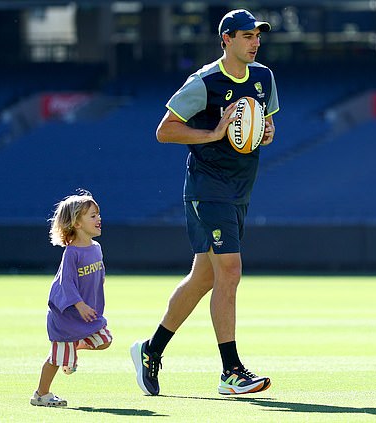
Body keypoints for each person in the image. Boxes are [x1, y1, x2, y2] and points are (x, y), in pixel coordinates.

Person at [131, 9, 279, 396]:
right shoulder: (205, 81)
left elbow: (265, 124)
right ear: (226, 39)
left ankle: (150, 350)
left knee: (205, 277)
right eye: (247, 36)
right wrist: (214, 132)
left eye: (257, 36)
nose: (255, 41)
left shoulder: (264, 77)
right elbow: (164, 131)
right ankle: (231, 372)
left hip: (240, 188)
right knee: (229, 270)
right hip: (207, 187)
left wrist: (265, 131)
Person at [31, 190, 112, 407]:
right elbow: (65, 283)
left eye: (98, 214)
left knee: (105, 340)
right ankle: (41, 394)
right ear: (76, 223)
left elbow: (98, 275)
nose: (98, 219)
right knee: (57, 359)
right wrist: (79, 303)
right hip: (66, 316)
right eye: (92, 216)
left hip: (85, 314)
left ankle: (72, 348)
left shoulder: (96, 248)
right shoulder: (72, 253)